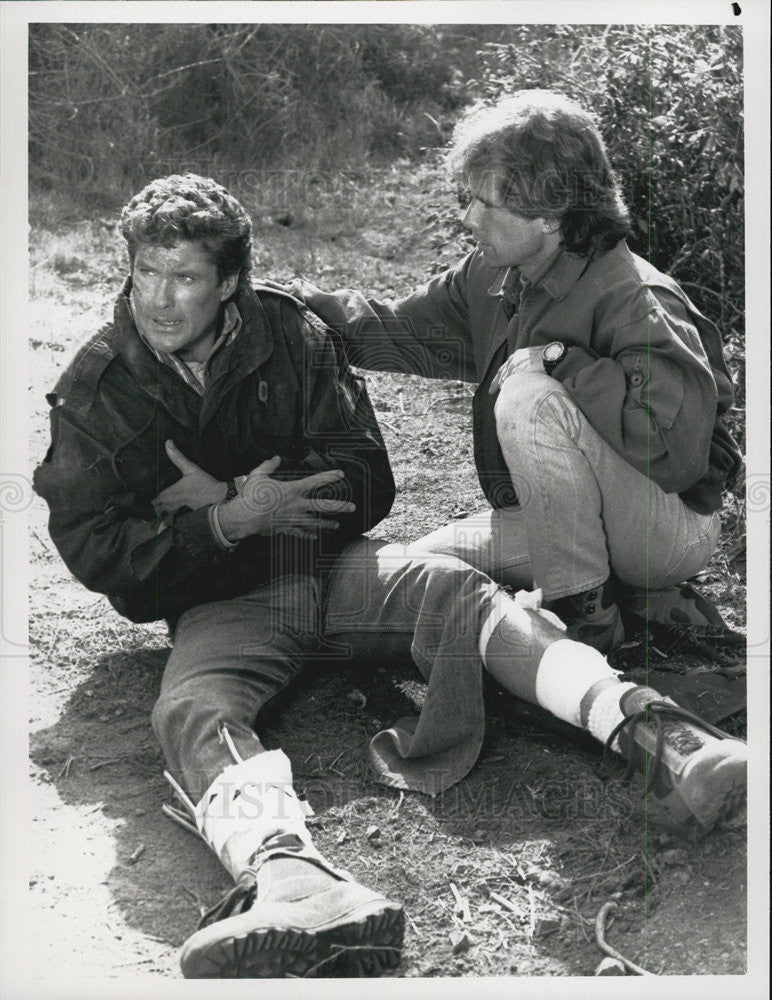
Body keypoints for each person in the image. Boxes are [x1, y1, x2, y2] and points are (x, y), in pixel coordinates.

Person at [34, 172, 746, 981]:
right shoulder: (99, 385)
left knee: (455, 588)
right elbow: (95, 550)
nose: (161, 301)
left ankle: (664, 736)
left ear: (228, 281)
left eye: (186, 277)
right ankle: (293, 885)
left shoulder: (288, 333)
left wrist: (271, 509)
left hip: (328, 567)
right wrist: (228, 519)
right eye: (145, 275)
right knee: (192, 708)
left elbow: (368, 476)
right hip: (220, 600)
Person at [295, 89, 744, 655]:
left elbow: (675, 459)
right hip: (562, 521)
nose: (467, 218)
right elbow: (398, 333)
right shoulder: (493, 273)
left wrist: (564, 364)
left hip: (667, 530)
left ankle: (587, 622)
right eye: (468, 198)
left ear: (551, 215)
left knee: (529, 393)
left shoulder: (637, 298)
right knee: (424, 565)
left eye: (486, 203)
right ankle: (625, 598)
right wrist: (295, 305)